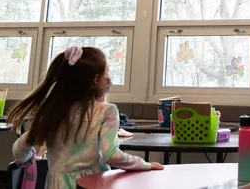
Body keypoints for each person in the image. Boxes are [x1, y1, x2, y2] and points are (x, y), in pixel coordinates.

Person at [9, 46, 162, 188]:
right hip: (93, 182)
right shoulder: (106, 111)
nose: (109, 79)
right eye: (107, 73)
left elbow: (21, 146)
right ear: (96, 80)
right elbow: (111, 155)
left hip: (58, 183)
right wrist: (144, 164)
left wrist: (26, 159)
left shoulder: (54, 112)